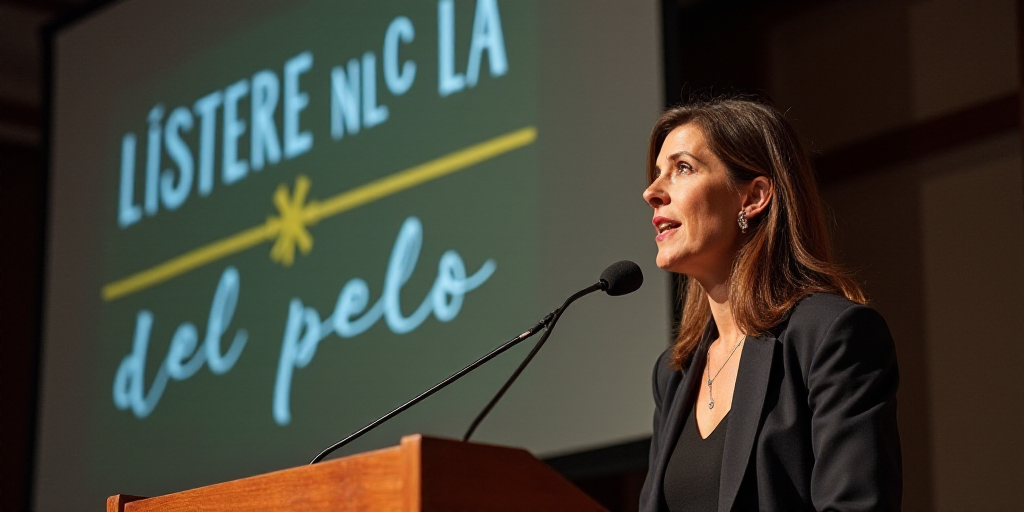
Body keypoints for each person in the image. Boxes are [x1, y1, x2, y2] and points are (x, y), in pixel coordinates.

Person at [638, 96, 902, 512]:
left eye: (682, 168)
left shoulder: (830, 336)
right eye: (657, 175)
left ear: (754, 197)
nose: (652, 192)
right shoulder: (674, 373)